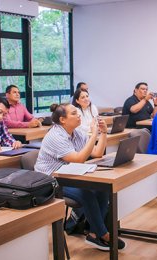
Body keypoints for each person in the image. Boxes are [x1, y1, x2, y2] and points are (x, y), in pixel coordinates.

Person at [35, 103, 126, 251]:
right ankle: (103, 234)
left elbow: (97, 153)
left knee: (102, 190)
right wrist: (94, 134)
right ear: (63, 119)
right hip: (51, 180)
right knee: (86, 195)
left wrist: (103, 133)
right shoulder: (55, 136)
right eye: (73, 113)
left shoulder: (75, 132)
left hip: (70, 175)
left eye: (77, 112)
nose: (78, 115)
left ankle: (94, 234)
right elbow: (78, 159)